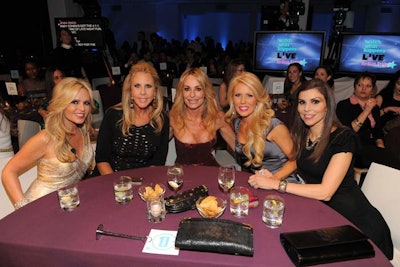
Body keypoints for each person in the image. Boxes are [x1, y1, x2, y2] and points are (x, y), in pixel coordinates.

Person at [248, 79, 393, 260]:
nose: (307, 108)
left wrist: (277, 183)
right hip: (325, 217)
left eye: (315, 101)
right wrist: (273, 177)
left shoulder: (343, 137)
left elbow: (325, 192)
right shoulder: (303, 135)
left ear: (327, 105)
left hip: (357, 225)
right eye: (302, 102)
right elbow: (296, 163)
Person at [2, 77, 96, 209]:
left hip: (67, 206)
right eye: (74, 102)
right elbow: (8, 171)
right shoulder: (46, 138)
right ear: (61, 103)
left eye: (86, 103)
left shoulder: (83, 131)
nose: (82, 108)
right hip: (39, 207)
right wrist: (24, 209)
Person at [95, 61, 169, 174]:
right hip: (111, 179)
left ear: (155, 92)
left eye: (148, 86)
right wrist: (119, 186)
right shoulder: (113, 115)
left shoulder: (161, 119)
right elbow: (102, 159)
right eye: (137, 86)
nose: (143, 92)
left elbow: (158, 162)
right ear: (130, 91)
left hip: (146, 182)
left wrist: (145, 187)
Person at [225, 71, 298, 183]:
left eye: (250, 95)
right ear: (232, 98)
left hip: (283, 184)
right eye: (238, 95)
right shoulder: (237, 124)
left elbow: (295, 161)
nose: (243, 101)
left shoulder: (273, 126)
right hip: (257, 184)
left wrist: (272, 180)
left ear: (258, 98)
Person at [169, 67, 235, 166]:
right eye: (187, 89)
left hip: (210, 175)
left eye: (198, 89)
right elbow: (156, 151)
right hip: (182, 177)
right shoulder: (173, 117)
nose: (192, 94)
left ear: (205, 92)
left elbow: (240, 151)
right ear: (181, 92)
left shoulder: (217, 117)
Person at [336, 72, 400, 170]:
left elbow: (378, 132)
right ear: (354, 87)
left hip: (372, 148)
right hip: (353, 147)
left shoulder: (374, 108)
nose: (363, 88)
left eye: (368, 86)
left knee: (391, 156)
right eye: (360, 85)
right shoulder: (344, 105)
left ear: (372, 90)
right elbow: (349, 131)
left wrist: (381, 147)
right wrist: (366, 110)